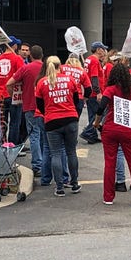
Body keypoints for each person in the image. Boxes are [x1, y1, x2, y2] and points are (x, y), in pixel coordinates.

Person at [95, 62, 131, 206]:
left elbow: (101, 107)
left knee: (110, 163)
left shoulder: (110, 90)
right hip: (128, 129)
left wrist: (97, 123)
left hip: (110, 129)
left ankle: (108, 197)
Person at [34, 56, 81, 197]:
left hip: (52, 121)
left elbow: (40, 105)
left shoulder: (42, 83)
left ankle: (59, 187)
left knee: (55, 153)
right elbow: (76, 100)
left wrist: (49, 113)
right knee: (71, 152)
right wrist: (74, 115)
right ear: (60, 65)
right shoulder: (70, 79)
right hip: (70, 118)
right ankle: (74, 183)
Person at [6, 45, 44, 176]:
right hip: (46, 106)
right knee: (45, 136)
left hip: (30, 106)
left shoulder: (26, 68)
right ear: (42, 55)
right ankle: (46, 164)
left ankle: (37, 165)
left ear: (30, 55)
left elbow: (9, 83)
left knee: (34, 135)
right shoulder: (47, 68)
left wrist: (14, 96)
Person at [0, 36, 24, 142]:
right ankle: (12, 145)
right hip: (14, 95)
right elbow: (22, 76)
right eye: (16, 44)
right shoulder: (18, 59)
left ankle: (1, 144)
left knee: (2, 122)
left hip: (0, 95)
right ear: (13, 45)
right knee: (15, 122)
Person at [80, 41, 108, 144]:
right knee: (98, 114)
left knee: (92, 114)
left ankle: (92, 135)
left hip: (89, 91)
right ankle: (88, 132)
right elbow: (94, 77)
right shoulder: (95, 61)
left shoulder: (88, 59)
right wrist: (98, 92)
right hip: (94, 92)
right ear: (98, 50)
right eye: (103, 49)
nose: (104, 51)